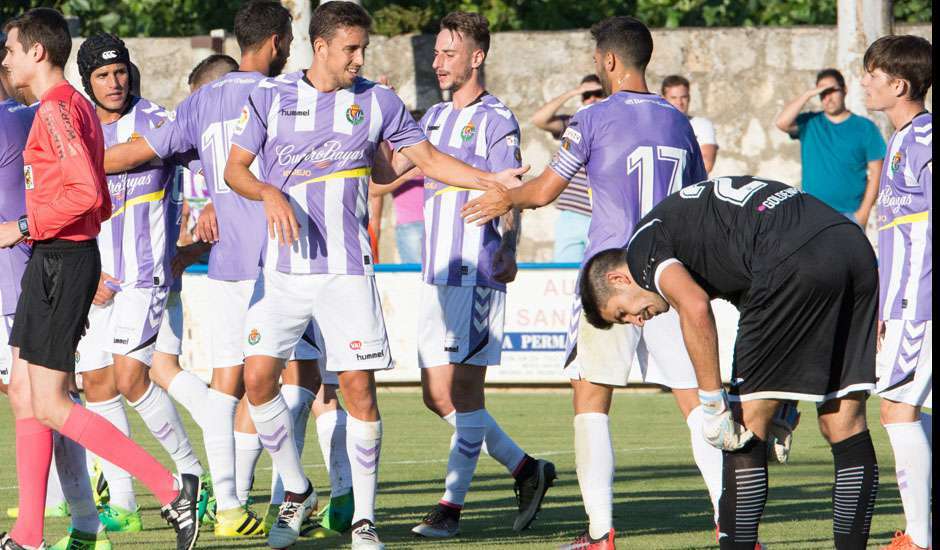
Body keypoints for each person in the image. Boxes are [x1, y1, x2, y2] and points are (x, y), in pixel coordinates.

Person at [223, 2, 525, 546]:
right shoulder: (270, 96)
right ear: (321, 47)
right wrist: (269, 192)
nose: (360, 58)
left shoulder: (379, 100)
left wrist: (490, 183)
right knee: (258, 380)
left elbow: (424, 159)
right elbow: (235, 169)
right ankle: (296, 490)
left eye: (363, 47)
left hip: (347, 273)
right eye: (351, 49)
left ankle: (365, 518)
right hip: (284, 270)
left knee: (358, 389)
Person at [461, 16, 723, 550]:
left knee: (590, 400)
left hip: (612, 279)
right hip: (673, 278)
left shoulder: (593, 116)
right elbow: (699, 205)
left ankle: (602, 533)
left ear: (608, 61)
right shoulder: (680, 122)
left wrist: (503, 196)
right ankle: (733, 527)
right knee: (696, 401)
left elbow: (544, 191)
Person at [102, 0, 356, 538]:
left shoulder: (200, 101)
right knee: (305, 376)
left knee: (227, 386)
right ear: (277, 43)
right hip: (280, 262)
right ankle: (296, 490)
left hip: (223, 269)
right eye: (289, 41)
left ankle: (228, 504)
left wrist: (74, 162)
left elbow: (141, 153)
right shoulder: (283, 93)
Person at [581, 176, 881, 550]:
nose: (638, 321)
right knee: (845, 423)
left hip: (786, 255)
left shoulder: (642, 249)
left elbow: (693, 305)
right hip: (851, 245)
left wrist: (713, 404)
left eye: (623, 313)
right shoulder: (702, 238)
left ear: (617, 278)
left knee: (741, 430)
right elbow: (778, 326)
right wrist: (783, 404)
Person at [0, 8, 199, 550]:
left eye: (11, 48)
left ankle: (169, 489)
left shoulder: (59, 111)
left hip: (59, 260)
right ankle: (28, 535)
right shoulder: (71, 109)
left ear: (37, 52)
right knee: (25, 393)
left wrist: (18, 227)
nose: (6, 58)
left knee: (51, 403)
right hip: (59, 258)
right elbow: (101, 198)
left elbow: (87, 195)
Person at [407, 12, 555, 539]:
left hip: (474, 269)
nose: (438, 62)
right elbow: (389, 174)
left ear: (476, 57)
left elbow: (509, 189)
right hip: (436, 272)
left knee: (466, 392)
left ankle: (450, 508)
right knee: (435, 394)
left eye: (449, 53)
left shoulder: (496, 119)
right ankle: (525, 468)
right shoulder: (431, 120)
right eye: (436, 53)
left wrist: (508, 249)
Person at [68, 33, 212, 535]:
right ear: (86, 81)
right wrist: (85, 275)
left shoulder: (156, 121)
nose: (115, 82)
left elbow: (207, 165)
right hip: (94, 279)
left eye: (121, 71)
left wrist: (213, 201)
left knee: (132, 377)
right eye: (103, 76)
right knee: (97, 384)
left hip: (145, 276)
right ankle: (125, 503)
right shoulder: (78, 129)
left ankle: (191, 474)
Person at [861, 35, 933, 550]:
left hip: (920, 302)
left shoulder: (924, 140)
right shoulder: (902, 138)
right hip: (903, 302)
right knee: (909, 409)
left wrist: (903, 301)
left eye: (872, 74)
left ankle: (919, 537)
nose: (863, 82)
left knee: (897, 409)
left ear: (898, 84)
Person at [774, 68, 885, 226]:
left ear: (844, 90)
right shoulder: (810, 123)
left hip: (850, 216)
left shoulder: (865, 128)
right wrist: (808, 95)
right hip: (811, 214)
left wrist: (863, 213)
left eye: (832, 90)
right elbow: (781, 123)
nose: (827, 98)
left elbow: (877, 172)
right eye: (822, 93)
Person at [530, 74, 601, 262]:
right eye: (587, 95)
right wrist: (574, 92)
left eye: (597, 93)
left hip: (601, 216)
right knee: (565, 277)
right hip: (571, 215)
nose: (592, 98)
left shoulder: (613, 126)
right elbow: (539, 119)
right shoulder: (573, 123)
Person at [367, 109, 425, 264]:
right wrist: (409, 174)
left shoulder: (431, 149)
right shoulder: (396, 148)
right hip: (409, 224)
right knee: (414, 280)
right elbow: (375, 189)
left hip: (438, 222)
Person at [661, 74, 719, 173]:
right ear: (663, 99)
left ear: (689, 98)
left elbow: (706, 163)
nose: (679, 102)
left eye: (683, 97)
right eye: (674, 98)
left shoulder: (702, 125)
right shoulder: (655, 125)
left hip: (692, 186)